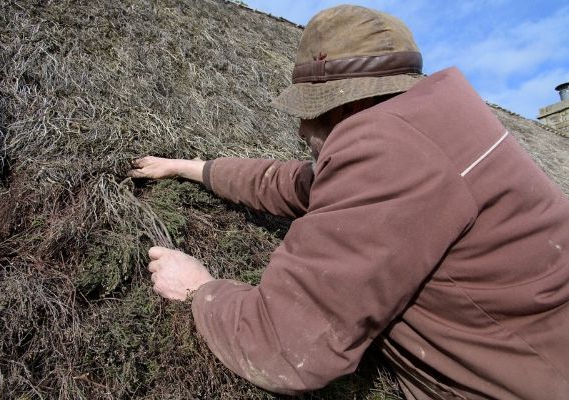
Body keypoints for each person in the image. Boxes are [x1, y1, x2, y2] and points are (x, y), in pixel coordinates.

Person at [128, 5, 569, 399]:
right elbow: (299, 183)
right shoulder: (434, 124)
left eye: (308, 112)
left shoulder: (386, 154)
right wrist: (192, 168)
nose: (301, 130)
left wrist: (199, 290)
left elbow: (286, 344)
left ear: (340, 107)